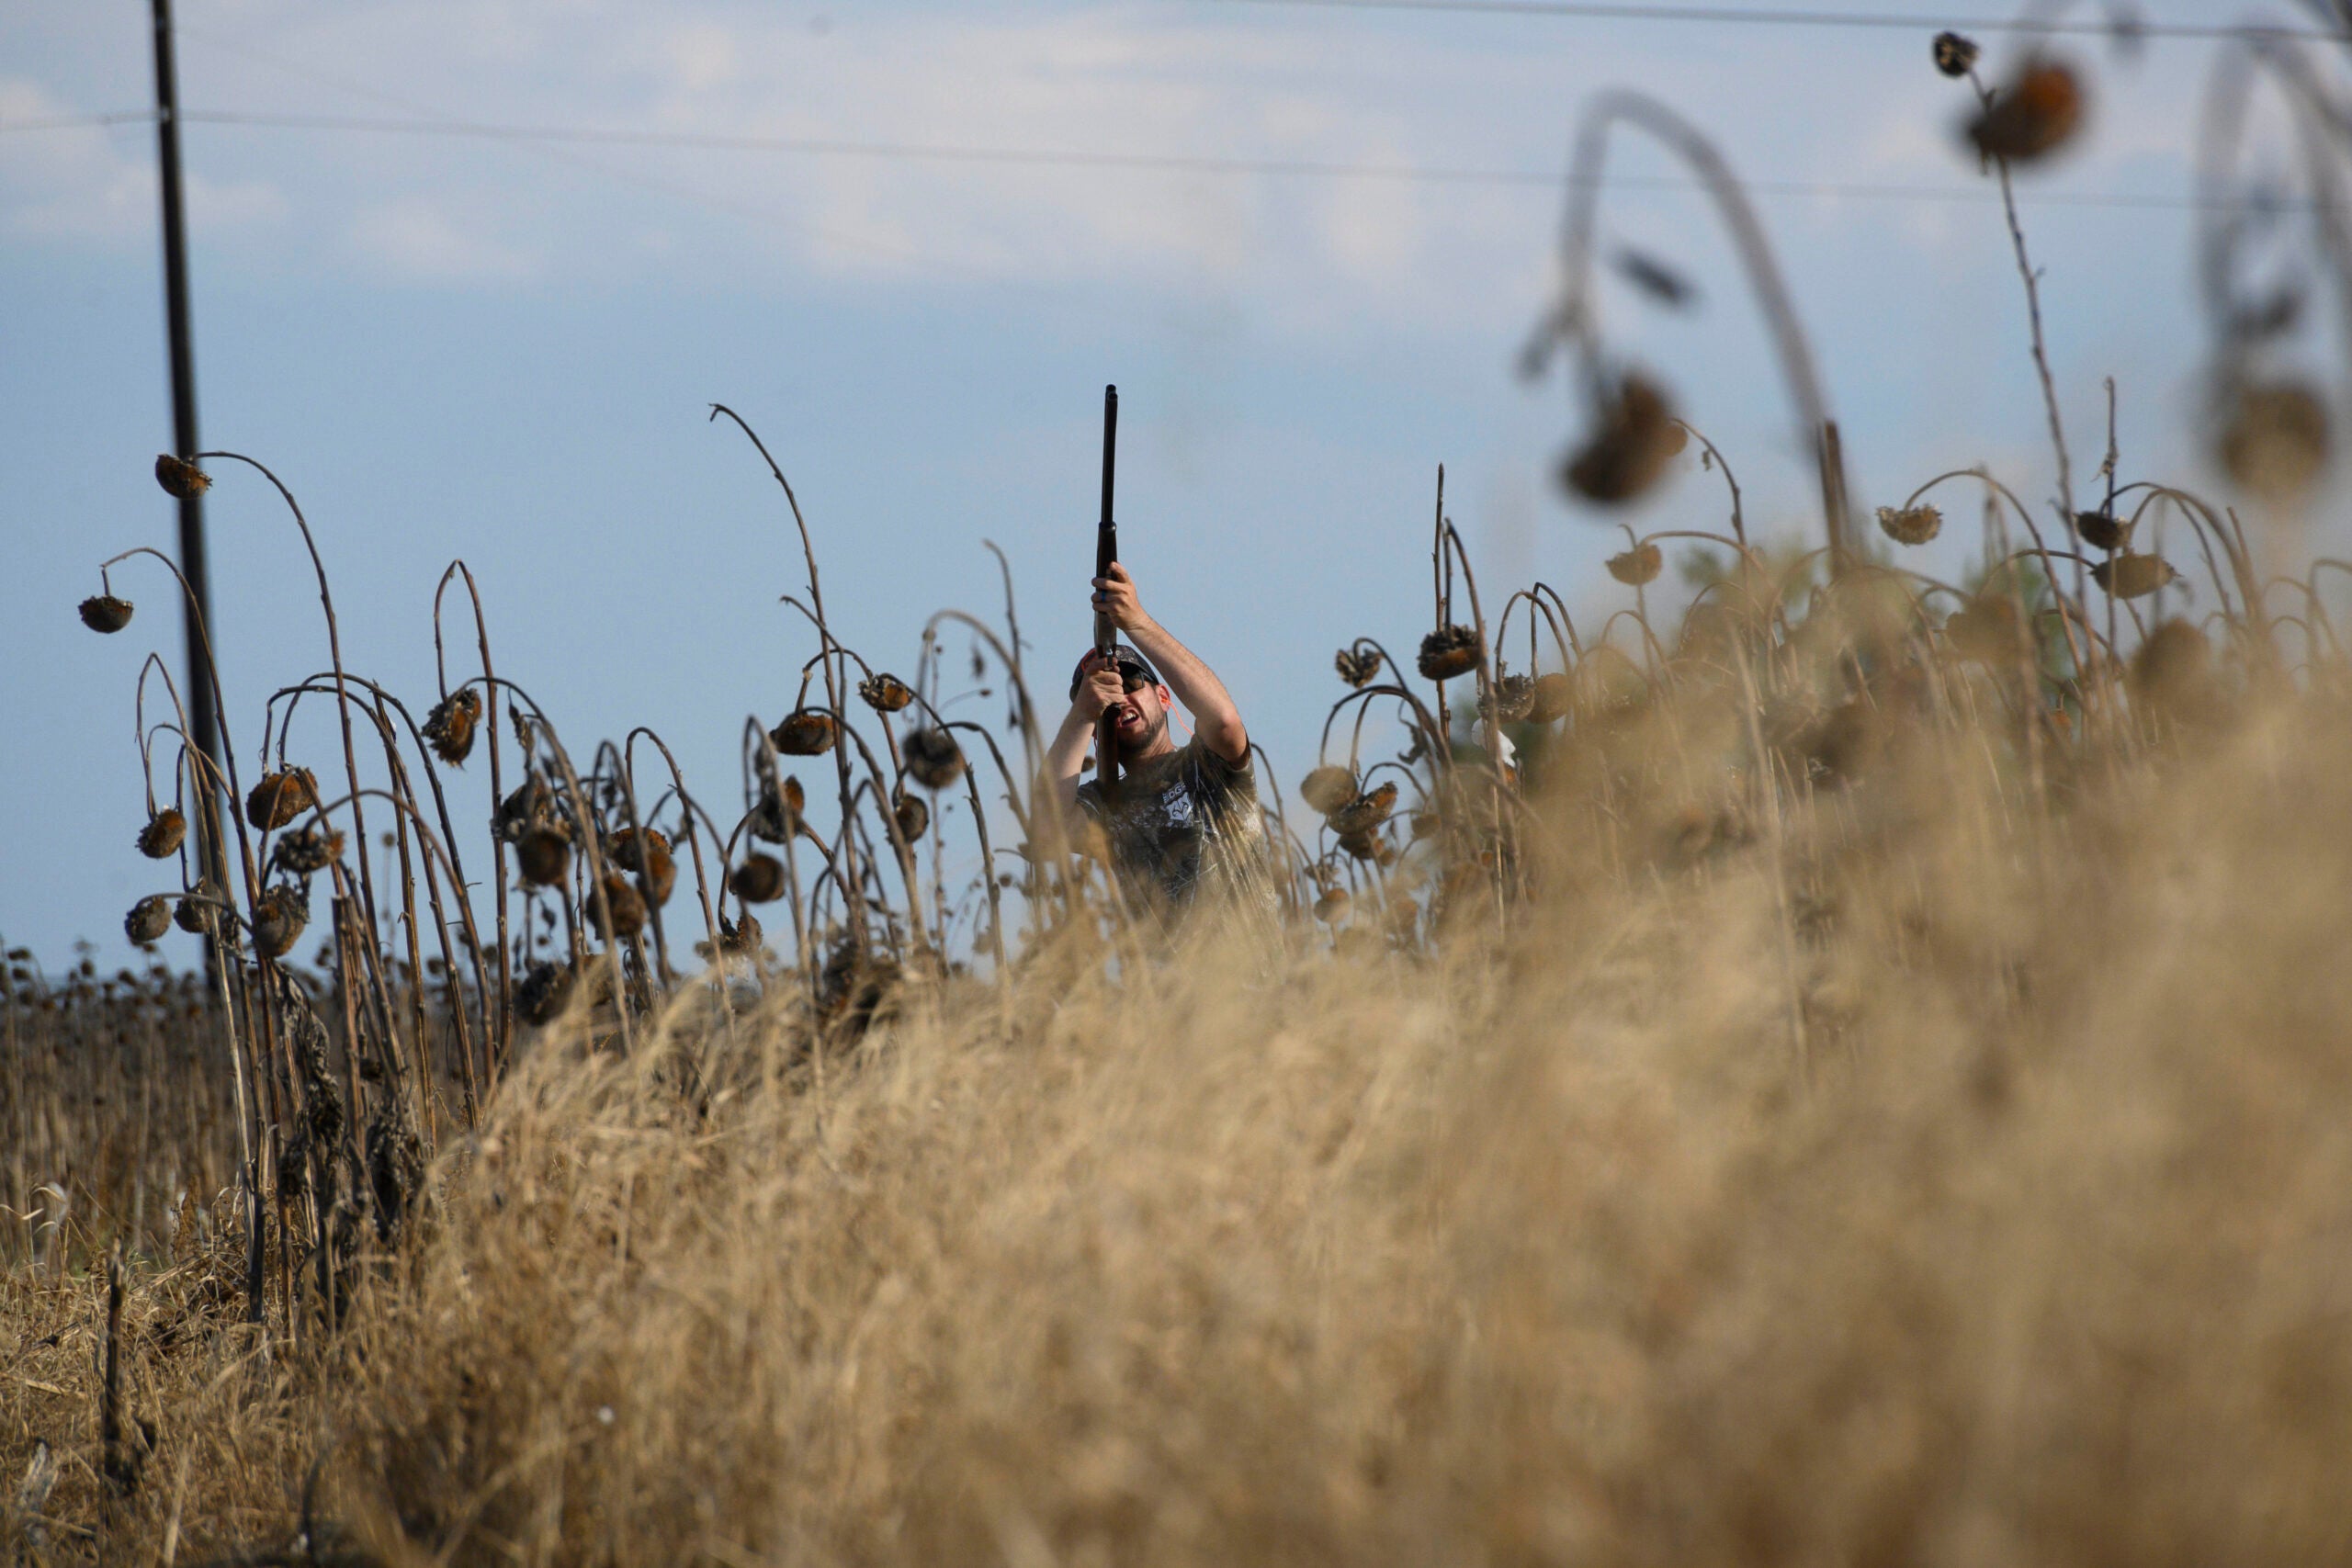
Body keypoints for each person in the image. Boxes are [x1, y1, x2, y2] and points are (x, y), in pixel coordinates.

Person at [1044, 561, 1275, 922]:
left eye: (1131, 683)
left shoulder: (1208, 767)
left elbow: (1226, 721)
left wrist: (1137, 622)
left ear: (1164, 697)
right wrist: (1083, 713)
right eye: (1107, 698)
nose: (1120, 699)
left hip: (1257, 978)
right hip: (1166, 981)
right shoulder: (1103, 806)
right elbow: (1045, 830)